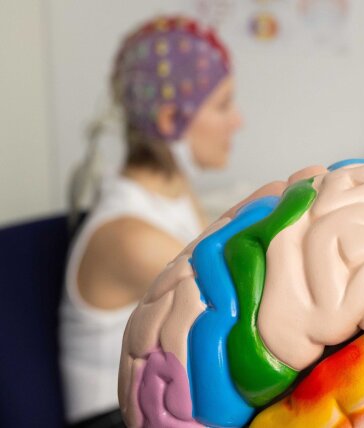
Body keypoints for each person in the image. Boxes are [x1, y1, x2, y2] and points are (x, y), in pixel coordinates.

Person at [60, 16, 242, 426]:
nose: (237, 121)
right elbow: (238, 316)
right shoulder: (129, 235)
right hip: (115, 418)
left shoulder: (173, 191)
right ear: (168, 121)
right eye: (223, 105)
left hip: (166, 403)